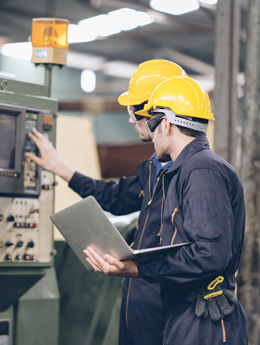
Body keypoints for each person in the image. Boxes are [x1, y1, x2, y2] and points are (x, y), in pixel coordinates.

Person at [26, 59, 186, 345]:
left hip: (171, 310)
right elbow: (116, 198)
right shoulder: (152, 169)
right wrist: (60, 168)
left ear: (158, 114)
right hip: (139, 304)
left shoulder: (193, 176)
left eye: (134, 111)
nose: (129, 119)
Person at [84, 75, 248, 344]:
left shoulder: (201, 170)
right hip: (183, 310)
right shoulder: (182, 170)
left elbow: (210, 254)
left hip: (203, 316)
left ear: (167, 124)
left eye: (152, 124)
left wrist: (138, 269)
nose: (151, 136)